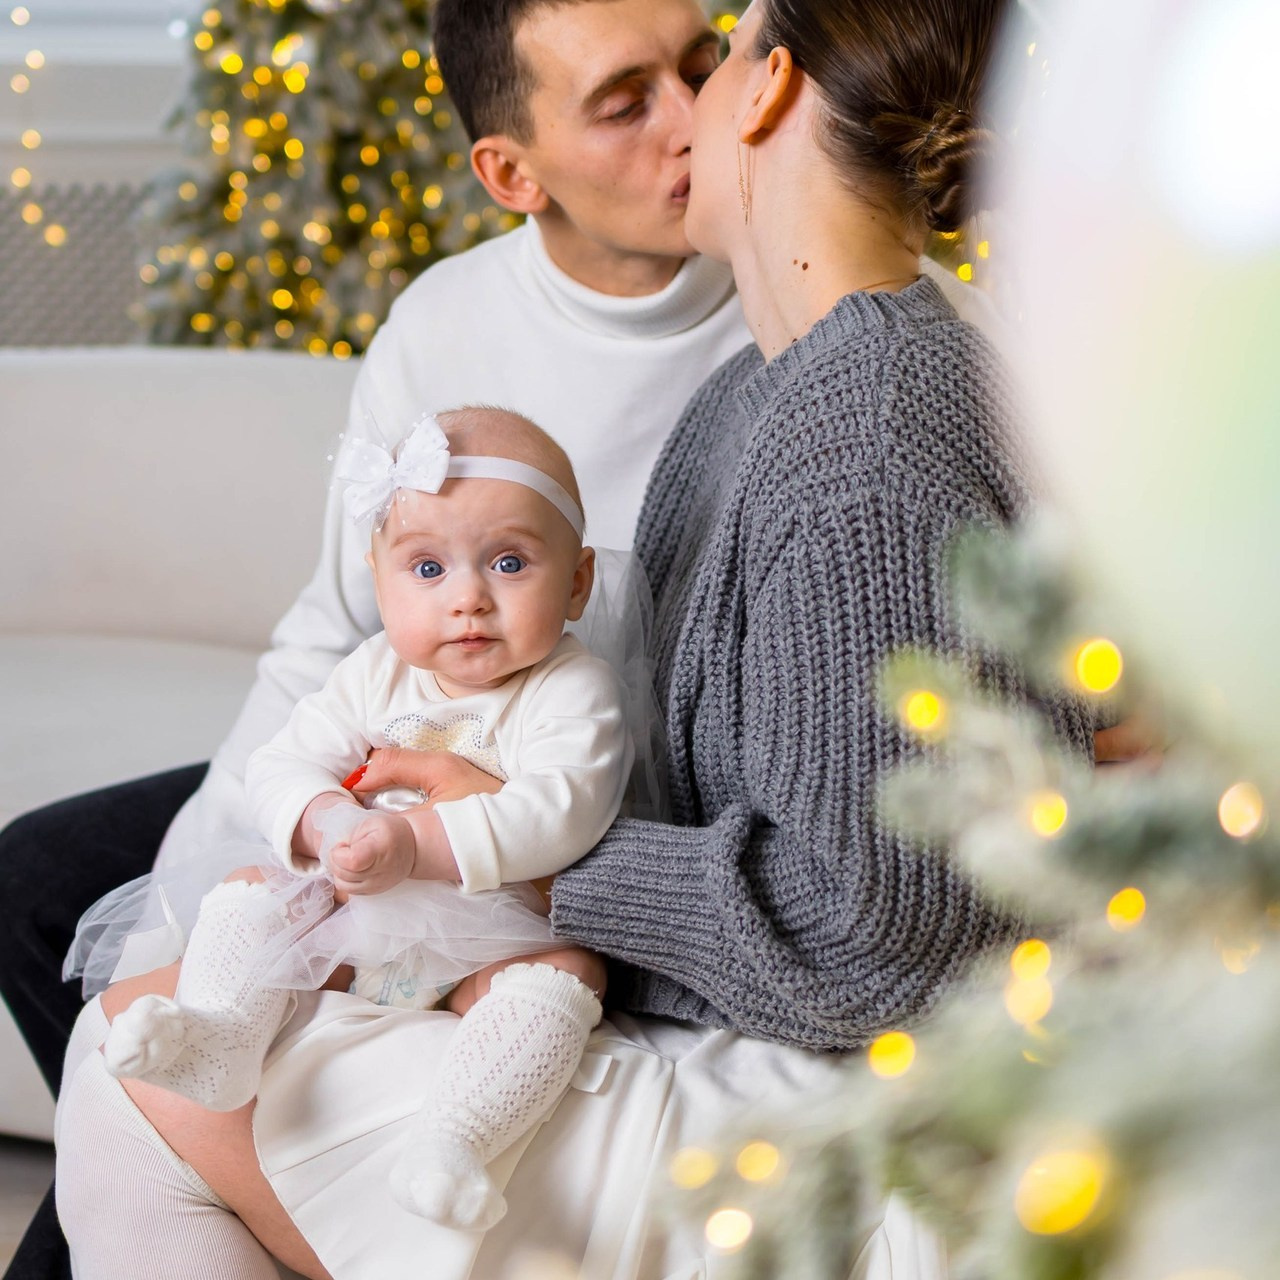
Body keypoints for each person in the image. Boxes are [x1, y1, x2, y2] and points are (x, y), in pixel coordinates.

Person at [52, 0, 1100, 1277]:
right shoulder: (762, 394)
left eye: (709, 64)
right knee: (155, 1023)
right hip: (699, 993)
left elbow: (879, 934)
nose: (680, 113)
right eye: (624, 94)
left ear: (763, 94)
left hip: (835, 1096)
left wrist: (533, 865)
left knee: (128, 1067)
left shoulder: (863, 444)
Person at [90, 408, 628, 1235]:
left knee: (566, 973)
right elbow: (279, 765)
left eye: (510, 563)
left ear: (578, 581)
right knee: (252, 888)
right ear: (378, 577)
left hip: (496, 927)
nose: (469, 599)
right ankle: (225, 1039)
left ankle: (455, 1140)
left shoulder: (571, 689)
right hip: (357, 913)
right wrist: (329, 821)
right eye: (426, 568)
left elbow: (562, 809)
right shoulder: (374, 672)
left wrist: (413, 841)